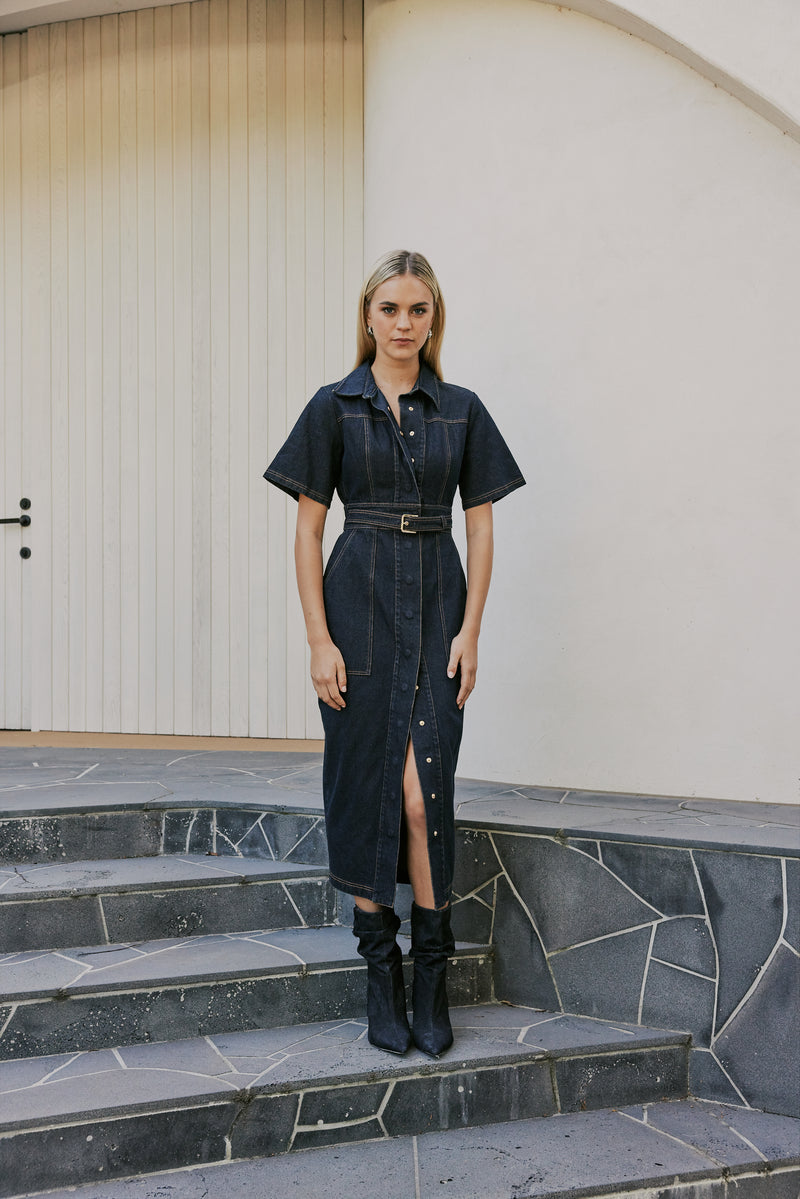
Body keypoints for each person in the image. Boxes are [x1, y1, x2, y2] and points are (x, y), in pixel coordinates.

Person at [264, 250, 524, 1057]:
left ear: (434, 318)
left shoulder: (463, 410)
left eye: (418, 309)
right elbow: (308, 529)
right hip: (359, 602)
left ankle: (431, 974)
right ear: (367, 316)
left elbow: (480, 526)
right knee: (368, 787)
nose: (404, 323)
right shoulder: (332, 406)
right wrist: (318, 638)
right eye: (390, 309)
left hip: (439, 600)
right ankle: (382, 974)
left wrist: (471, 627)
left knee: (422, 794)